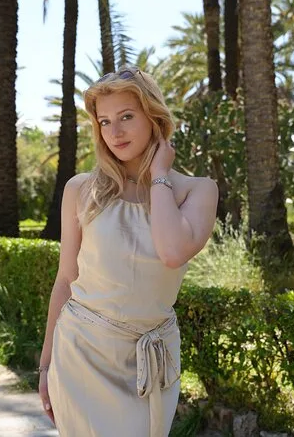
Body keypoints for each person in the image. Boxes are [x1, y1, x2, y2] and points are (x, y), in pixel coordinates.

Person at [38, 66, 219, 437]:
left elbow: (172, 252)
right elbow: (66, 279)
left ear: (154, 117)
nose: (115, 132)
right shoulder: (81, 190)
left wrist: (159, 175)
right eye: (104, 122)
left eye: (126, 117)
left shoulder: (197, 191)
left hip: (151, 361)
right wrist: (45, 366)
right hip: (81, 354)